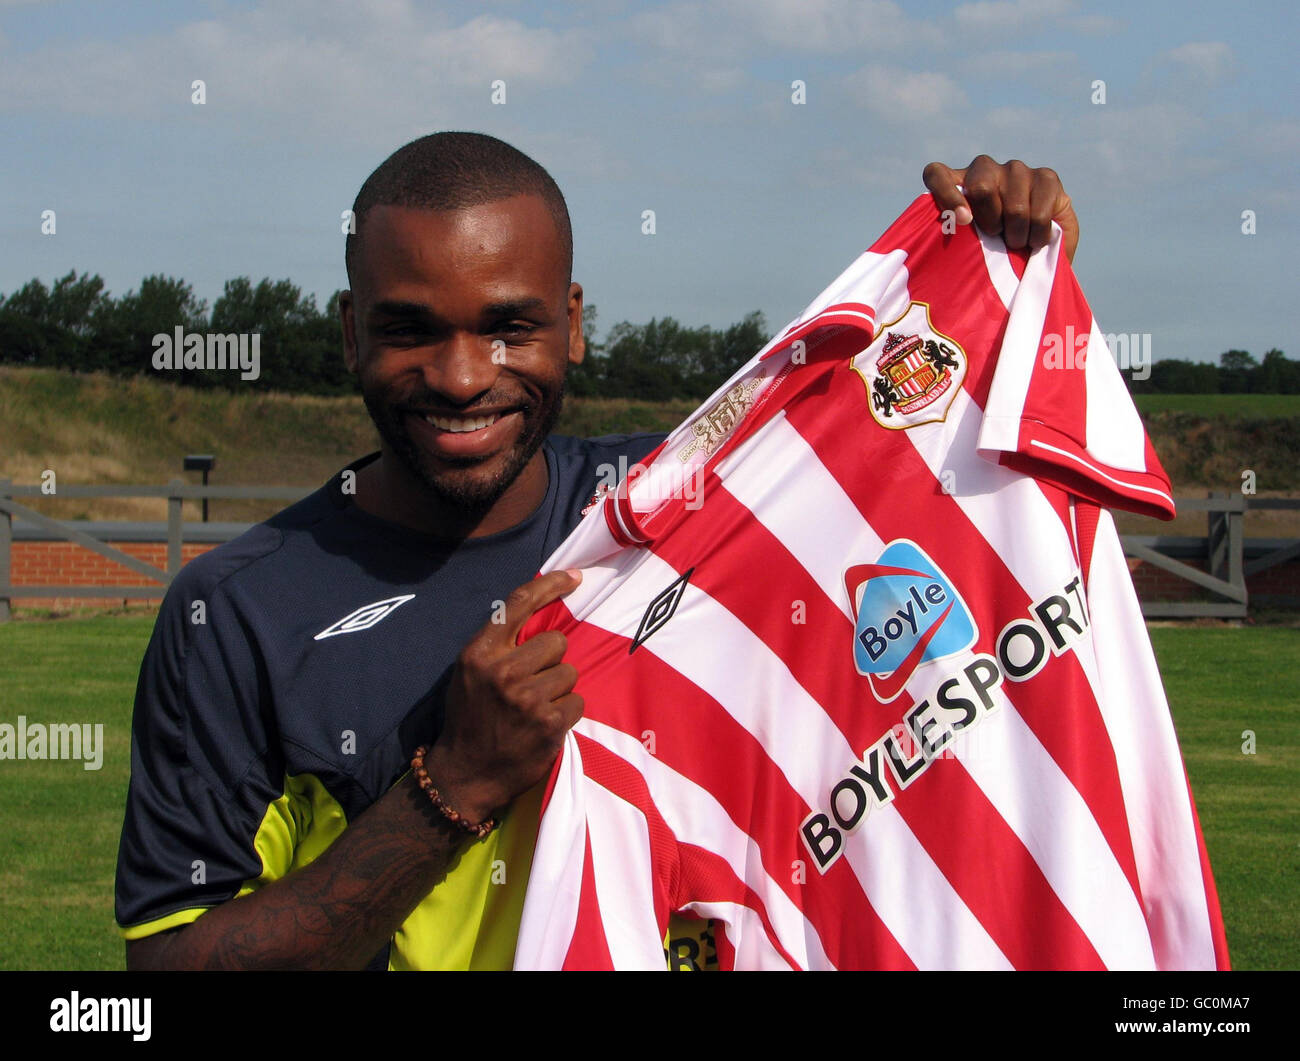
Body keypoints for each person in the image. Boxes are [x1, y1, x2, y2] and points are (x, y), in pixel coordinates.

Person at [116, 132, 1081, 970]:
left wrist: (1011, 281)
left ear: (572, 323)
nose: (461, 378)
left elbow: (928, 464)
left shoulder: (692, 507)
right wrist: (452, 788)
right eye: (410, 329)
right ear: (349, 333)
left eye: (508, 328)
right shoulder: (234, 615)